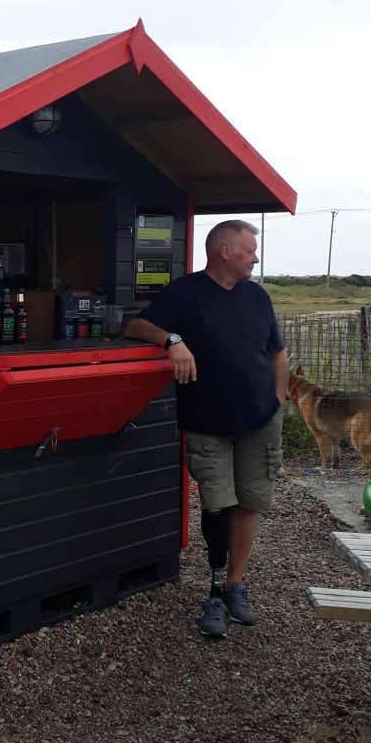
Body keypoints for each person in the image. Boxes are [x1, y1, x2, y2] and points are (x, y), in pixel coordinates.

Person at [124, 219, 288, 638]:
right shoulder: (185, 292)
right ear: (225, 252)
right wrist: (172, 340)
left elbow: (278, 355)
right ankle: (214, 593)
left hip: (259, 421)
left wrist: (279, 406)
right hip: (207, 423)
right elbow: (136, 326)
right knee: (216, 505)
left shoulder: (258, 297)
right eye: (250, 250)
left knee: (248, 502)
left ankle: (236, 585)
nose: (256, 257)